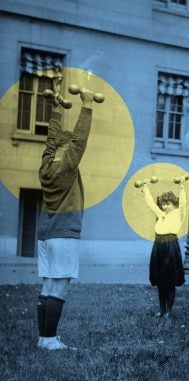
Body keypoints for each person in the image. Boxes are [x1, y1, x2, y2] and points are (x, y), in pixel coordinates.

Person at [36, 79, 95, 350]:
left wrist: (57, 110)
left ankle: (43, 338)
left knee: (48, 284)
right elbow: (80, 140)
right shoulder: (68, 166)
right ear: (68, 148)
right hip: (63, 234)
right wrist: (86, 105)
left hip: (45, 236)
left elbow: (51, 141)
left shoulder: (46, 165)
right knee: (60, 286)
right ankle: (49, 340)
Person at [141, 182, 187, 318]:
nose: (164, 206)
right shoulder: (161, 215)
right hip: (158, 246)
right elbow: (151, 204)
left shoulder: (179, 214)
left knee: (170, 280)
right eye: (163, 204)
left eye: (167, 204)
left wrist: (182, 187)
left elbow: (183, 204)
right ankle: (161, 309)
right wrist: (146, 188)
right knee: (160, 280)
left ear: (173, 203)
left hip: (170, 247)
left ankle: (168, 311)